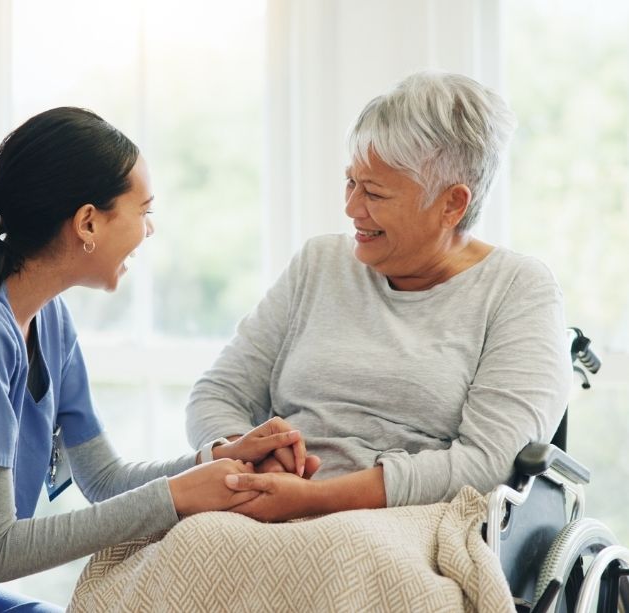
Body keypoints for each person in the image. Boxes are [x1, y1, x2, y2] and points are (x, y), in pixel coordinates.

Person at [0, 107, 309, 612]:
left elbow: (104, 479)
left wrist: (221, 460)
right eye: (144, 210)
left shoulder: (51, 322)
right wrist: (178, 497)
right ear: (88, 221)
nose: (150, 229)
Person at [186, 71, 572, 521]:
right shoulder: (319, 263)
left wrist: (314, 499)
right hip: (266, 505)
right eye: (351, 183)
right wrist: (244, 455)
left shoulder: (519, 290)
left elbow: (486, 463)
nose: (351, 208)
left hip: (410, 525)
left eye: (373, 193)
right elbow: (217, 393)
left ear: (452, 204)